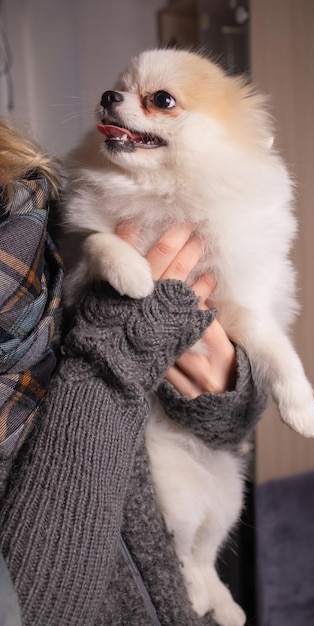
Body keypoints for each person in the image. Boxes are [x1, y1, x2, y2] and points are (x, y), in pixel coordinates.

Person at [0, 119, 267, 625]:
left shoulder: (29, 179)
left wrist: (227, 386)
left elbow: (231, 420)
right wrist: (117, 354)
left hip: (169, 583)